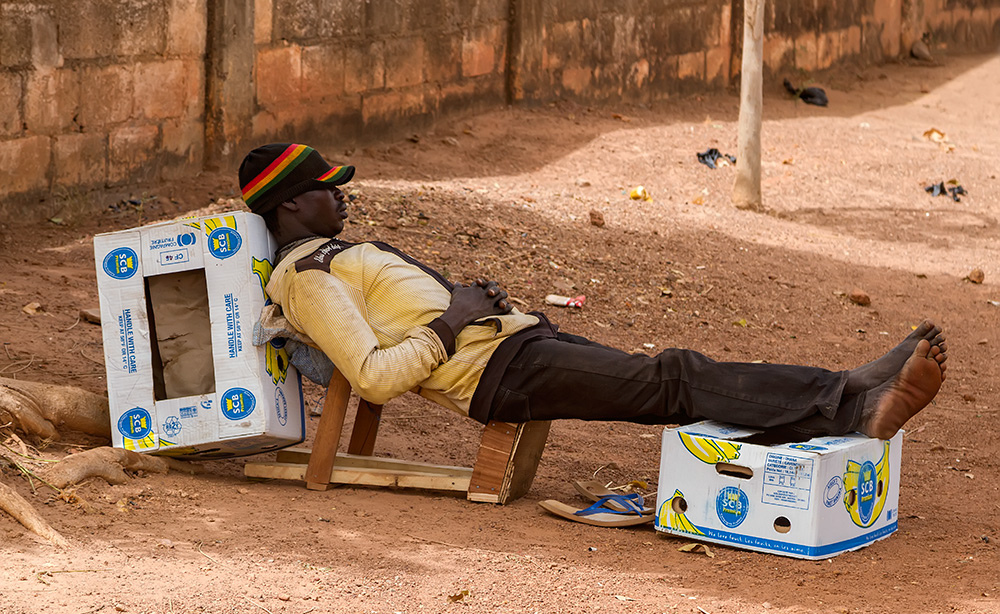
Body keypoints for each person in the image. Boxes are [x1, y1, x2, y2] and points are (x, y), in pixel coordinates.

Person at [238, 142, 947, 441]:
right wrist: (455, 319)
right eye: (329, 190)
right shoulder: (306, 279)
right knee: (673, 378)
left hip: (513, 345)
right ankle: (846, 406)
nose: (343, 198)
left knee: (669, 377)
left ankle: (848, 392)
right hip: (492, 372)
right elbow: (374, 376)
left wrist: (473, 303)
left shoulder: (328, 255)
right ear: (293, 206)